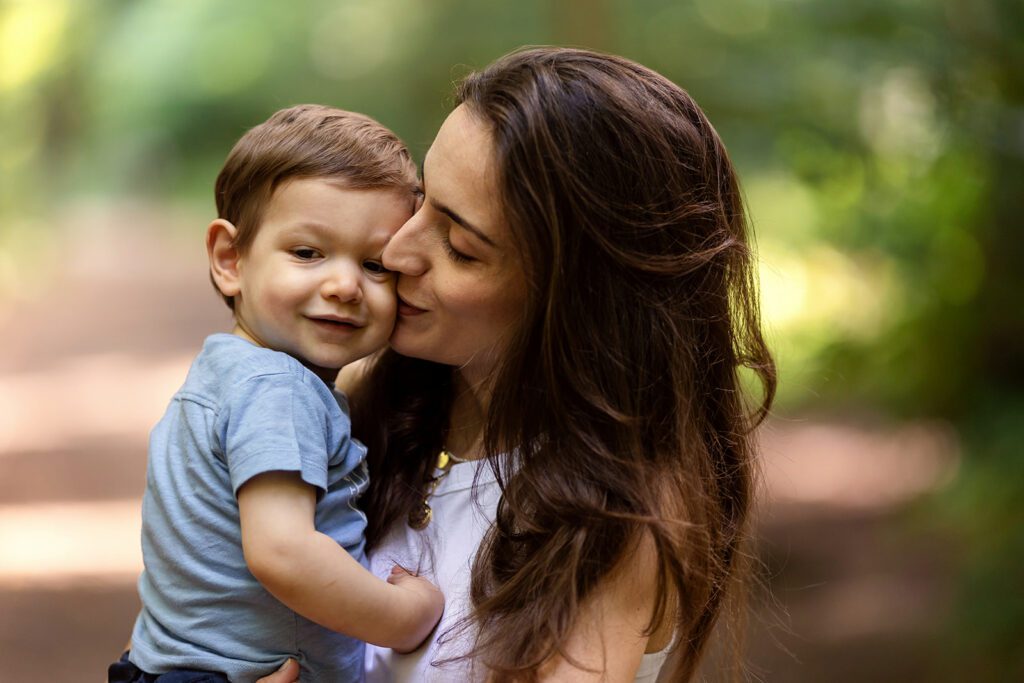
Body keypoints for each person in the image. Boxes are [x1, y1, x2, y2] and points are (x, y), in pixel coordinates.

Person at [261, 45, 776, 683]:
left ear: (577, 301)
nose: (396, 251)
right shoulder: (377, 408)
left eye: (459, 246)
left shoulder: (620, 515)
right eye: (420, 201)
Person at [111, 105, 444, 683]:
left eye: (374, 264)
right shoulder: (277, 387)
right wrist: (405, 617)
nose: (343, 286)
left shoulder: (227, 371)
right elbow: (283, 552)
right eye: (308, 253)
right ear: (229, 260)